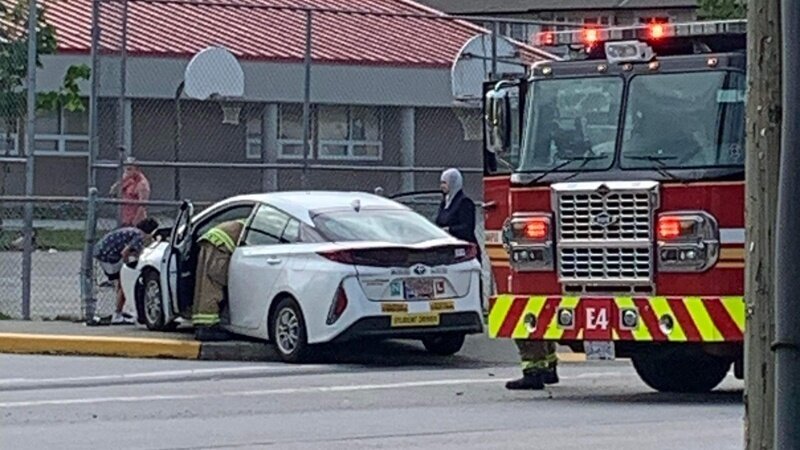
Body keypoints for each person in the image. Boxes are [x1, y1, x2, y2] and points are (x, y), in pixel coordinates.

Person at [93, 218, 159, 325]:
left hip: (103, 251)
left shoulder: (132, 231)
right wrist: (127, 266)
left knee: (121, 283)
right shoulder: (139, 236)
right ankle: (117, 314)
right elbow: (125, 252)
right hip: (108, 256)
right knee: (123, 284)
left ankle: (120, 310)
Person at [192, 219, 246, 342]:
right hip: (219, 247)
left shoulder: (243, 222)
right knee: (213, 285)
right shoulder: (258, 225)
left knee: (203, 284)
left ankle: (201, 324)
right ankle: (207, 327)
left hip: (212, 242)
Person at [435, 168, 479, 250]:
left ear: (453, 183)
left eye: (444, 183)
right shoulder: (445, 202)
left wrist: (449, 230)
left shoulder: (464, 202)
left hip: (463, 247)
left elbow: (467, 227)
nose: (442, 186)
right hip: (447, 244)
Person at [110, 157, 151, 227]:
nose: (126, 171)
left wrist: (134, 222)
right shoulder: (127, 180)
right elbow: (113, 192)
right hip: (125, 218)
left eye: (129, 169)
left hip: (136, 220)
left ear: (137, 170)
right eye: (125, 169)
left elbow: (142, 206)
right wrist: (119, 183)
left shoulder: (142, 183)